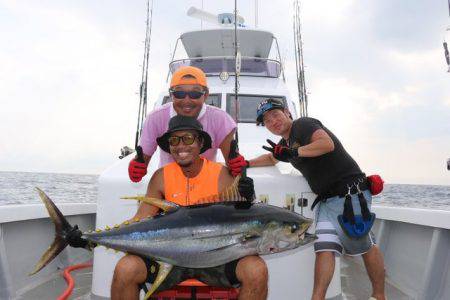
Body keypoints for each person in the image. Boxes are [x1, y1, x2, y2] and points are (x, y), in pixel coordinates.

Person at [112, 115, 268, 300]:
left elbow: (242, 218)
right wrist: (92, 238)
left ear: (200, 143)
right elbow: (140, 219)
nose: (180, 146)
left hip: (216, 257)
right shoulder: (161, 177)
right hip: (169, 258)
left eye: (188, 138)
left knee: (256, 270)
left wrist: (248, 198)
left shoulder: (221, 174)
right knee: (125, 268)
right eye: (174, 140)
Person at [246, 98, 386, 300]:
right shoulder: (284, 143)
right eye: (267, 120)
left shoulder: (303, 125)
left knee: (364, 246)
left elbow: (326, 144)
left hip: (350, 194)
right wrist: (245, 163)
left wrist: (295, 152)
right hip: (327, 201)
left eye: (275, 115)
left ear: (287, 112)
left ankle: (380, 296)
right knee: (324, 249)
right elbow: (271, 159)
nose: (273, 121)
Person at [128, 66, 247, 182]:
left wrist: (236, 165)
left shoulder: (221, 119)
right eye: (179, 93)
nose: (187, 100)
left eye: (195, 94)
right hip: (168, 185)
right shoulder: (155, 118)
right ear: (171, 95)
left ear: (205, 95)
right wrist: (137, 166)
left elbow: (232, 163)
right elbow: (142, 160)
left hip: (206, 186)